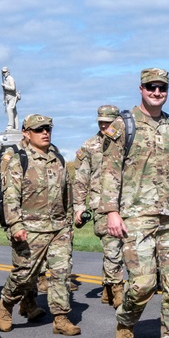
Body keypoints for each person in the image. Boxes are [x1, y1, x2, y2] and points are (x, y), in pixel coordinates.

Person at [99, 68, 169, 338]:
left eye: (162, 88)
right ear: (140, 88)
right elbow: (109, 172)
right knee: (142, 283)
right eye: (151, 87)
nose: (157, 92)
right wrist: (112, 212)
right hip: (136, 215)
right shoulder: (123, 125)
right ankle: (126, 324)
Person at [0, 114, 80, 336]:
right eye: (39, 129)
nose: (45, 132)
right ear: (26, 132)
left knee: (62, 272)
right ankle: (7, 303)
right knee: (24, 274)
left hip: (58, 227)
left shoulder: (58, 157)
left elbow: (67, 194)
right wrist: (15, 225)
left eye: (48, 129)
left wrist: (69, 225)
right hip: (29, 228)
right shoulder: (18, 159)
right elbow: (10, 196)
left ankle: (61, 318)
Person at [73, 105, 124, 307]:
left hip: (127, 203)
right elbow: (81, 179)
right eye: (101, 122)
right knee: (112, 246)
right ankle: (117, 289)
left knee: (122, 248)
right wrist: (79, 206)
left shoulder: (127, 142)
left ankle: (107, 287)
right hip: (100, 204)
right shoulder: (90, 145)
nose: (104, 126)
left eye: (108, 122)